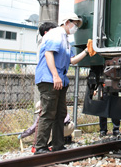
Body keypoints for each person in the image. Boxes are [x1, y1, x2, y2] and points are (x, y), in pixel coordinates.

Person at [34, 13, 93, 155]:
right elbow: (49, 54)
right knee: (48, 113)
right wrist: (55, 75)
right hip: (50, 79)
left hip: (58, 80)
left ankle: (58, 145)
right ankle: (40, 147)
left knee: (60, 114)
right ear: (67, 22)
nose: (76, 28)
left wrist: (87, 51)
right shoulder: (56, 34)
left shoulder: (65, 39)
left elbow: (71, 61)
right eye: (75, 24)